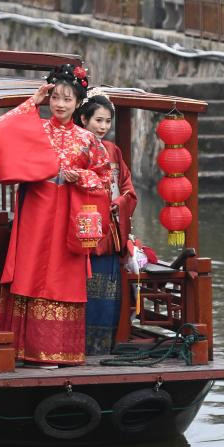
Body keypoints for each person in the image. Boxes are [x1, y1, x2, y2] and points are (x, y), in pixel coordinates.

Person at [0, 64, 111, 367]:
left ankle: (56, 351)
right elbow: (3, 129)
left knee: (62, 276)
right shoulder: (35, 128)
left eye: (67, 99)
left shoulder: (88, 141)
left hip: (69, 214)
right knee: (30, 271)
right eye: (55, 97)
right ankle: (20, 348)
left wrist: (81, 178)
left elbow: (105, 179)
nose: (59, 104)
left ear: (77, 103)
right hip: (36, 209)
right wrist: (32, 100)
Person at [77, 93, 137, 356]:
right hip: (83, 232)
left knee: (109, 295)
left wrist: (120, 202)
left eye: (107, 121)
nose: (103, 127)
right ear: (84, 119)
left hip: (110, 231)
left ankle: (104, 348)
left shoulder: (114, 151)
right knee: (83, 293)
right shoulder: (75, 148)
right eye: (98, 120)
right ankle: (76, 346)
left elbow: (128, 188)